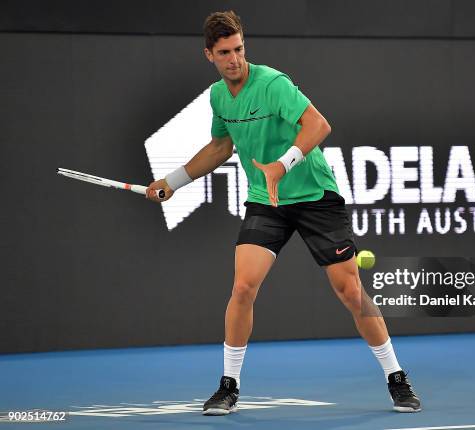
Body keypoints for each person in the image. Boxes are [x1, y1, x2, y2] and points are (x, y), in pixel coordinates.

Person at [146, 10, 421, 416]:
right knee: (243, 288)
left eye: (239, 49)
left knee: (349, 291)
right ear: (209, 55)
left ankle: (396, 378)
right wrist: (173, 181)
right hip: (267, 201)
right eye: (225, 53)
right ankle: (228, 386)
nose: (234, 59)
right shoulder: (219, 97)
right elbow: (221, 148)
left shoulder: (273, 83)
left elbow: (318, 125)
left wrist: (282, 164)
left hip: (314, 196)